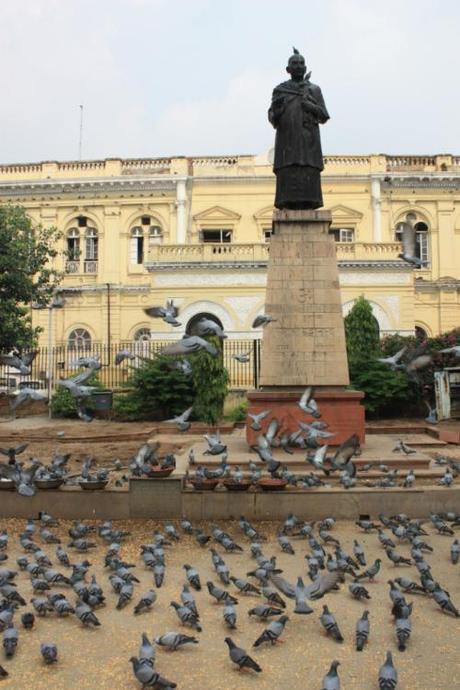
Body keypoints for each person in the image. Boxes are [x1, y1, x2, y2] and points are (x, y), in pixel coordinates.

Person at [269, 48, 329, 210]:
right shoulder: (280, 90)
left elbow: (324, 115)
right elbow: (272, 118)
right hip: (287, 144)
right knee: (289, 173)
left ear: (305, 67)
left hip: (309, 142)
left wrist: (310, 105)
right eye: (294, 63)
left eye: (301, 63)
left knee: (308, 171)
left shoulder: (314, 90)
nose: (298, 66)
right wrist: (278, 108)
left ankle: (309, 203)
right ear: (288, 69)